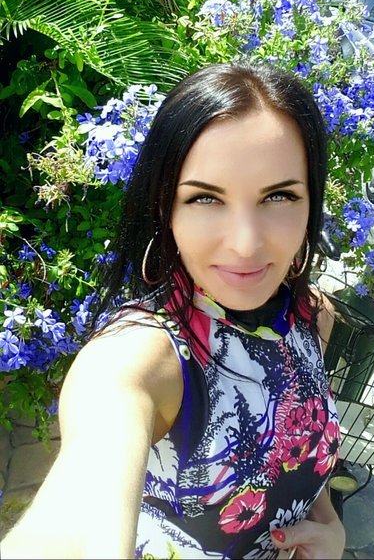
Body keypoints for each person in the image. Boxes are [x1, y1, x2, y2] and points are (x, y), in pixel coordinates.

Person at [2, 63, 345, 560]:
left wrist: (329, 526)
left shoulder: (312, 317)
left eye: (279, 195)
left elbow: (307, 444)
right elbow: (73, 525)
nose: (246, 244)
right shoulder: (140, 359)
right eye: (205, 198)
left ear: (310, 202)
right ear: (166, 207)